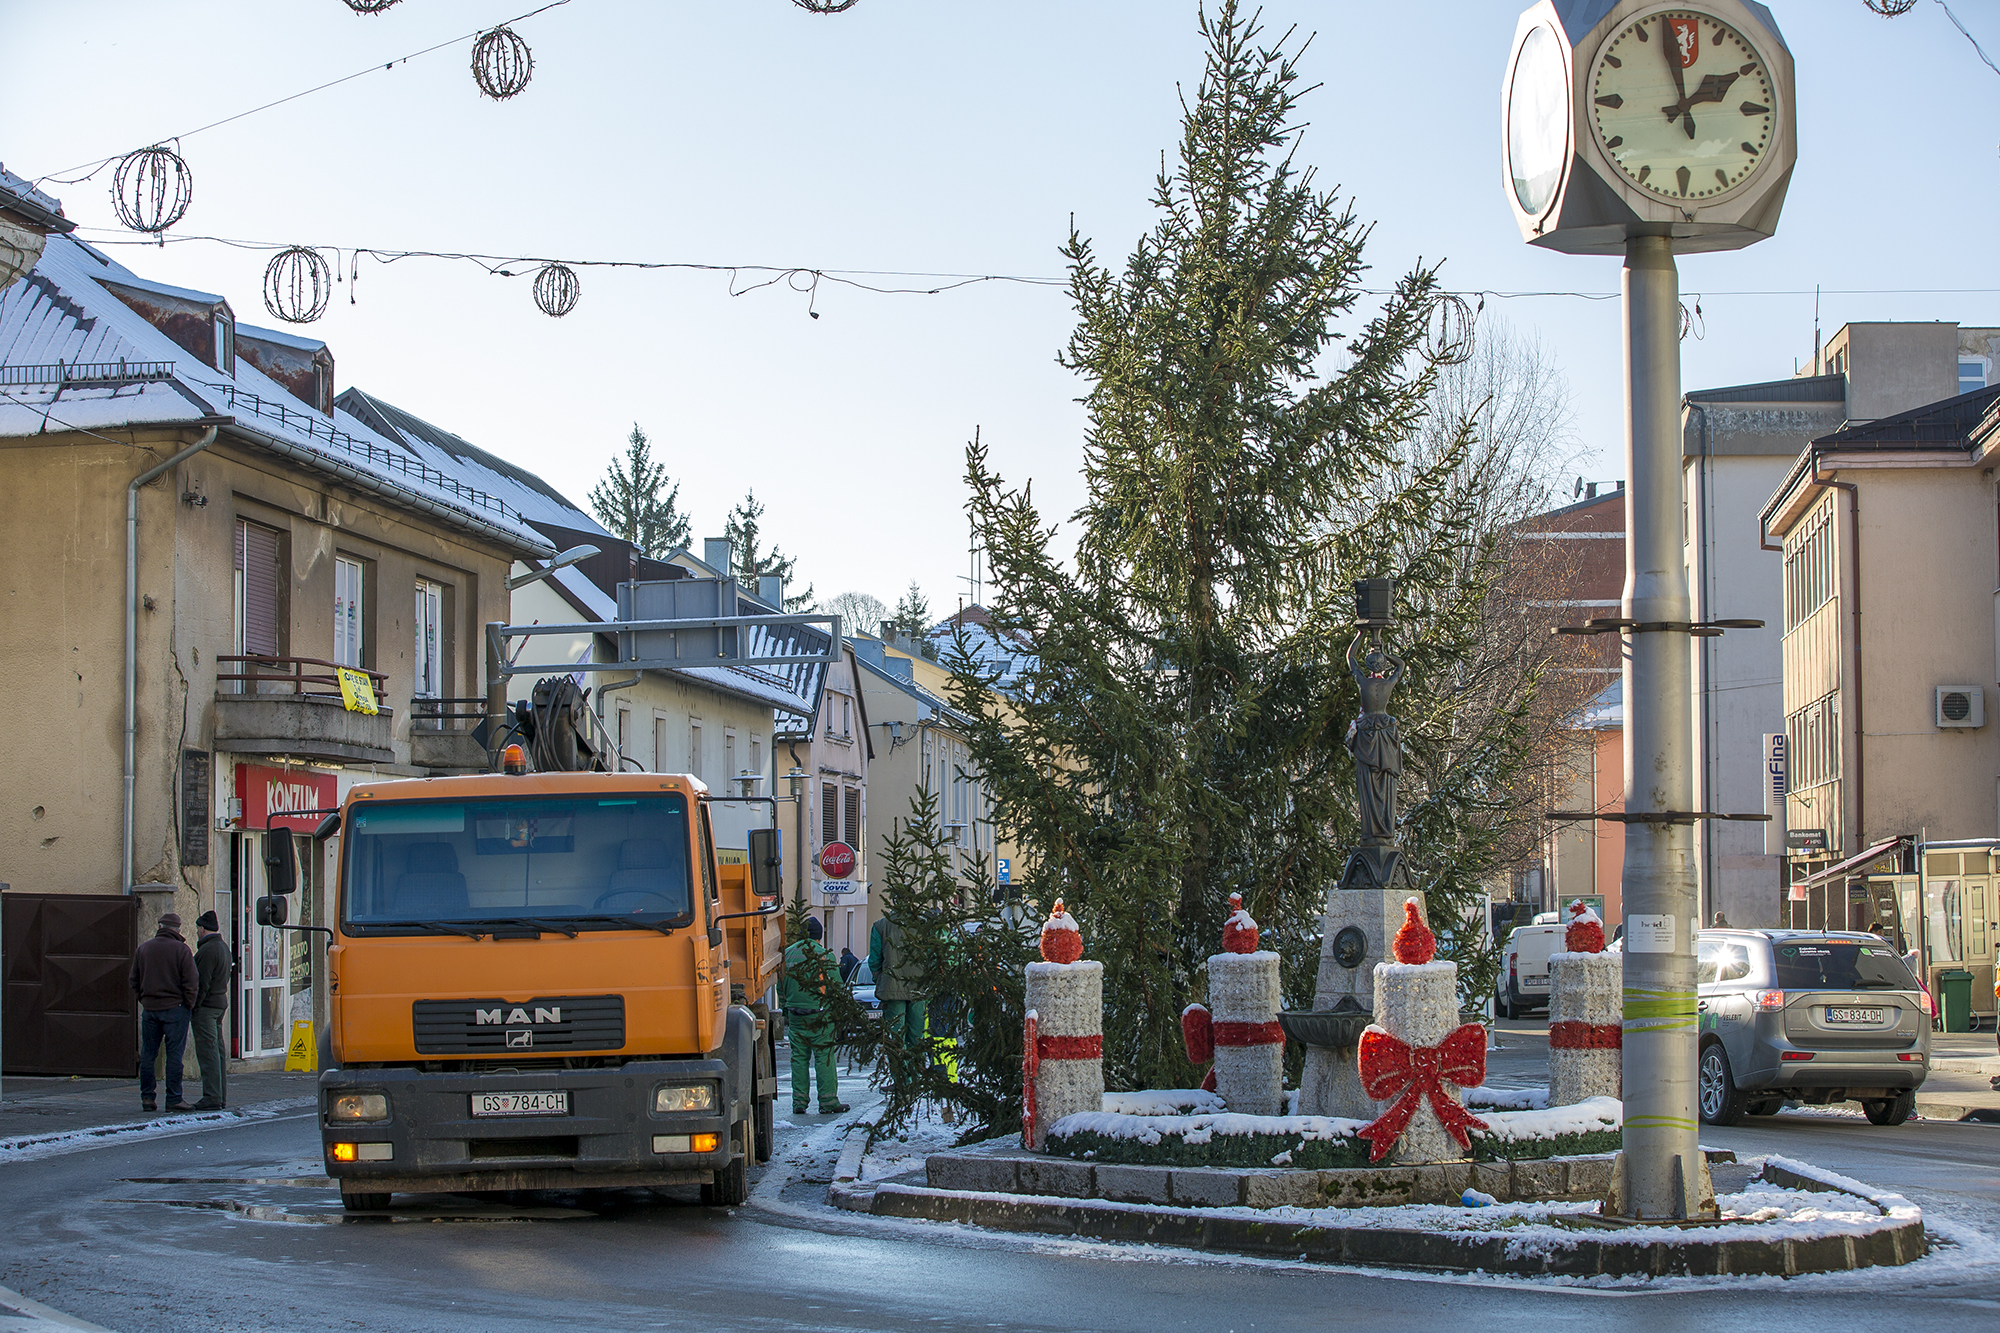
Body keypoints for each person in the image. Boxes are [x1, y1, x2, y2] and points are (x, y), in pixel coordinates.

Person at [129, 912, 199, 1113]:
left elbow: (133, 980)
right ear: (177, 929)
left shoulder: (144, 949)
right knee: (174, 1056)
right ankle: (174, 1098)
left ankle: (147, 1098)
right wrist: (188, 1005)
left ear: (159, 927)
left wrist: (144, 999)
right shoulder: (182, 950)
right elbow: (191, 982)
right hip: (175, 1009)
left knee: (148, 1055)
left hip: (150, 1009)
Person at [780, 917, 848, 1115]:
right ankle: (828, 1101)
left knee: (799, 1058)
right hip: (820, 1015)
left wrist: (786, 1008)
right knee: (823, 1057)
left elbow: (780, 985)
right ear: (820, 936)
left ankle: (799, 1102)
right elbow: (835, 986)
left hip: (795, 1015)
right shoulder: (824, 956)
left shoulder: (788, 954)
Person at [869, 908, 927, 1066]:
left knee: (895, 1039)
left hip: (891, 988)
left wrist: (879, 979)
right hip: (919, 988)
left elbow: (874, 959)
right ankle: (915, 1077)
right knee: (917, 1038)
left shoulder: (881, 925)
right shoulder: (924, 924)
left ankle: (901, 1079)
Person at [192, 910, 233, 1111]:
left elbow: (201, 984)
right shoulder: (223, 948)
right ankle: (219, 1095)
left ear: (202, 928)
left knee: (208, 1051)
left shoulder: (207, 951)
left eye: (198, 929)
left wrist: (194, 1006)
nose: (197, 932)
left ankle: (212, 1096)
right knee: (217, 1050)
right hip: (219, 1002)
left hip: (207, 1006)